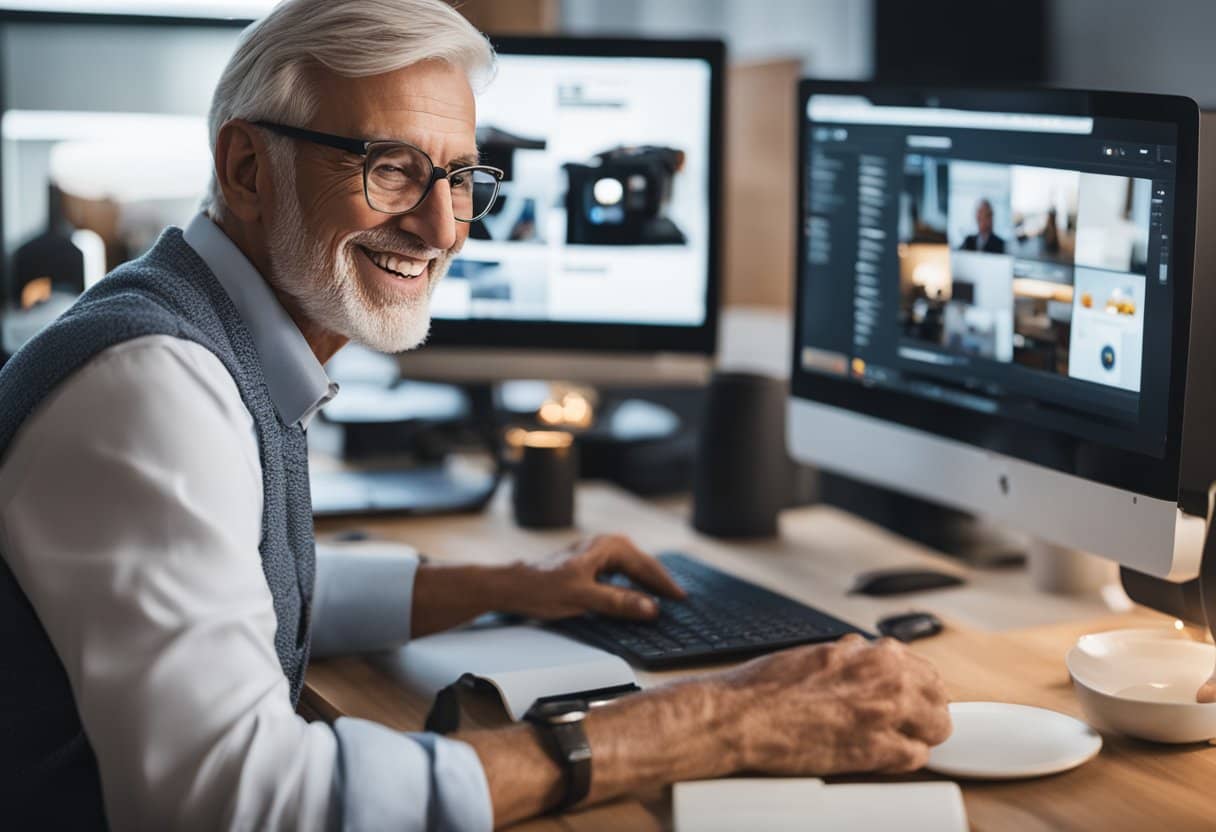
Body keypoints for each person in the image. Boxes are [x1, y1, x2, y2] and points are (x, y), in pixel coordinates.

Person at [0, 1, 951, 828]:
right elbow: (246, 805)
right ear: (247, 169)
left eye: (461, 179)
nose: (444, 227)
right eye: (392, 169)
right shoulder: (155, 388)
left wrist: (514, 583)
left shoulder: (204, 332)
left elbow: (243, 590)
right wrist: (711, 721)